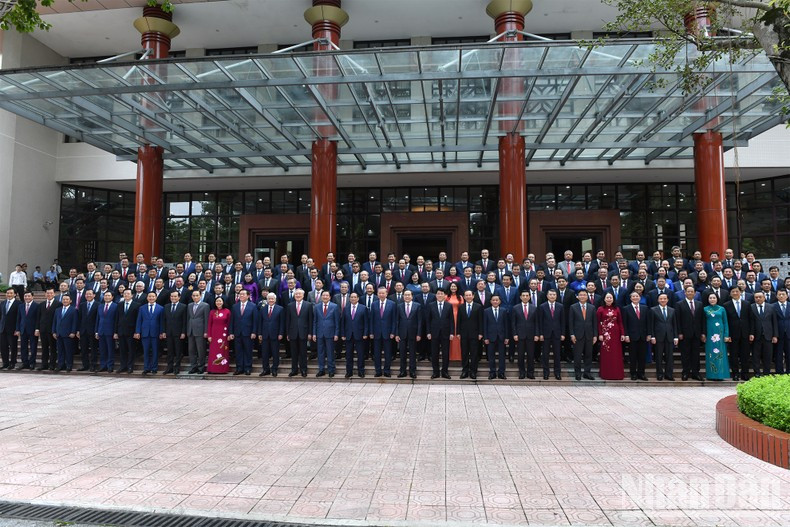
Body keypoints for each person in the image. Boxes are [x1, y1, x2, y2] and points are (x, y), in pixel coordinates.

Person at [676, 285, 705, 381]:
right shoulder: (680, 304)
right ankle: (685, 373)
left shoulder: (700, 304)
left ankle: (695, 373)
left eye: (692, 291)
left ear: (695, 293)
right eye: (688, 291)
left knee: (696, 354)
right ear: (685, 293)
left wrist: (703, 333)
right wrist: (679, 332)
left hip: (697, 334)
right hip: (684, 334)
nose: (690, 293)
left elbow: (702, 320)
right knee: (685, 354)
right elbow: (678, 320)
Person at [426, 289, 455, 379]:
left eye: (441, 294)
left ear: (445, 295)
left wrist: (452, 332)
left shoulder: (449, 305)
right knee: (434, 353)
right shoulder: (431, 305)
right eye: (438, 294)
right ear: (436, 295)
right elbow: (428, 320)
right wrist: (428, 332)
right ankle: (436, 372)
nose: (440, 295)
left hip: (446, 333)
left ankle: (445, 372)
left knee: (445, 353)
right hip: (434, 333)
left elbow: (451, 320)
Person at [649, 293, 678, 381]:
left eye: (665, 298)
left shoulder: (672, 310)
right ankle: (660, 374)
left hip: (669, 336)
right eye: (661, 298)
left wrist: (675, 337)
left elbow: (675, 324)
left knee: (670, 357)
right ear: (658, 300)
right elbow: (651, 324)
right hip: (658, 337)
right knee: (658, 356)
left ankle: (669, 374)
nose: (663, 300)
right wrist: (652, 336)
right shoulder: (653, 310)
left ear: (667, 300)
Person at [570, 289, 599, 381]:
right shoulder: (573, 307)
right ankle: (577, 373)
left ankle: (587, 373)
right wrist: (572, 334)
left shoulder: (592, 307)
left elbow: (595, 322)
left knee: (588, 355)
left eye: (584, 295)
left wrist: (595, 335)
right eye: (580, 295)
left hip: (589, 335)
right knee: (577, 356)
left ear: (587, 296)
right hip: (577, 335)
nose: (582, 296)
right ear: (577, 296)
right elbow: (571, 322)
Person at [749, 291, 777, 377]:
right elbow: (750, 322)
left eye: (760, 297)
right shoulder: (751, 307)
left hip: (768, 336)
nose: (758, 299)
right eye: (756, 297)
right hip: (756, 336)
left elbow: (774, 322)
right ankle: (757, 373)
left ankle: (766, 373)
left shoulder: (771, 307)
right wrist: (751, 333)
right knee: (755, 356)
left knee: (767, 356)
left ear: (764, 298)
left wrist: (775, 335)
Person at [369, 286, 396, 377]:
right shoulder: (374, 304)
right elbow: (371, 319)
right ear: (377, 294)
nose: (381, 294)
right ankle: (378, 371)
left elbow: (394, 320)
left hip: (388, 333)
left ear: (386, 294)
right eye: (379, 293)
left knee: (388, 353)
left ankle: (387, 371)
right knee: (377, 353)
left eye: (383, 293)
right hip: (376, 333)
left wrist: (393, 332)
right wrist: (371, 332)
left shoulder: (392, 304)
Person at [135, 292, 164, 375]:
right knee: (146, 351)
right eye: (149, 296)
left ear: (156, 297)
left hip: (155, 333)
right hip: (145, 333)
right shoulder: (142, 308)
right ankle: (146, 368)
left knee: (155, 351)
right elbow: (139, 320)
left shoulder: (160, 308)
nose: (151, 298)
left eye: (153, 296)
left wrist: (161, 332)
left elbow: (161, 322)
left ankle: (154, 368)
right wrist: (137, 331)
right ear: (147, 298)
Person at [229, 289, 257, 376]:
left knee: (248, 351)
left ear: (248, 296)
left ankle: (248, 368)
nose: (241, 296)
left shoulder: (253, 306)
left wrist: (254, 332)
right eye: (240, 294)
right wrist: (231, 332)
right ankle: (239, 368)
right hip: (237, 333)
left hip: (248, 333)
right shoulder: (235, 306)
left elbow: (255, 320)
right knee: (238, 351)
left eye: (243, 294)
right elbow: (232, 321)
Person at [703, 292, 730, 381]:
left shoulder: (722, 309)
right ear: (708, 299)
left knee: (720, 354)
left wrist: (726, 335)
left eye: (714, 298)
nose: (712, 299)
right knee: (710, 354)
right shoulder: (705, 309)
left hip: (720, 334)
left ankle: (720, 374)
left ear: (717, 299)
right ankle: (711, 375)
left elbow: (725, 322)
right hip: (710, 335)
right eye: (710, 298)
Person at [622, 291, 649, 381]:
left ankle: (641, 373)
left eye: (637, 296)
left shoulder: (645, 308)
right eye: (633, 296)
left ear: (640, 297)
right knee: (632, 356)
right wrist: (626, 335)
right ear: (630, 298)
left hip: (643, 336)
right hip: (631, 336)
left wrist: (649, 334)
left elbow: (648, 322)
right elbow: (625, 323)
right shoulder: (626, 309)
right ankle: (633, 373)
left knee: (642, 356)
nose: (635, 298)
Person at [395, 290, 421, 379]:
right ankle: (402, 371)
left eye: (408, 295)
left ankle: (412, 371)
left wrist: (419, 334)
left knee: (412, 354)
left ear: (412, 296)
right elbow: (397, 321)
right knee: (402, 354)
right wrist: (397, 334)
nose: (407, 296)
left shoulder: (417, 306)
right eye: (405, 295)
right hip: (402, 333)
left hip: (413, 333)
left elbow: (419, 321)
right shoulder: (399, 306)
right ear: (403, 296)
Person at [312, 290, 339, 377]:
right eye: (323, 295)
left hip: (331, 333)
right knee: (320, 352)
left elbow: (337, 322)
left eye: (327, 295)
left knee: (330, 352)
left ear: (330, 297)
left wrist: (336, 334)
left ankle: (331, 370)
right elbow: (315, 321)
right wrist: (314, 333)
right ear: (321, 296)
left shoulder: (334, 307)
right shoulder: (317, 307)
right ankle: (321, 369)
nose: (325, 297)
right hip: (319, 333)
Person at [539, 289, 565, 380]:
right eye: (550, 294)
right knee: (545, 354)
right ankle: (546, 373)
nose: (552, 296)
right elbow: (540, 321)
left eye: (554, 294)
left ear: (556, 296)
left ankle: (557, 373)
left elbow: (562, 321)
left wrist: (563, 333)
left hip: (557, 333)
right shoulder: (542, 306)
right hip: (546, 333)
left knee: (557, 354)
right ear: (547, 296)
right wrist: (541, 334)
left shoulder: (560, 306)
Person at [457, 290, 483, 379]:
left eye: (469, 295)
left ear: (473, 296)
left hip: (475, 334)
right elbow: (458, 321)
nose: (468, 297)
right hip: (463, 334)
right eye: (466, 295)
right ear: (464, 297)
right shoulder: (461, 307)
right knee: (464, 353)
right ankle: (465, 370)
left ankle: (473, 371)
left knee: (474, 353)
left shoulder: (478, 307)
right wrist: (458, 332)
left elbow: (480, 321)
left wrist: (480, 333)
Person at [341, 291, 368, 378]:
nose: (353, 298)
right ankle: (349, 371)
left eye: (354, 297)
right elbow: (343, 323)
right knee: (348, 355)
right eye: (351, 297)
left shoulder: (363, 308)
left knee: (360, 354)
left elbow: (366, 322)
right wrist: (343, 334)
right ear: (349, 299)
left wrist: (365, 333)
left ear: (358, 298)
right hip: (348, 335)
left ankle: (361, 371)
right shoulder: (346, 308)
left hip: (360, 334)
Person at [257, 292, 285, 377]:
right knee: (264, 353)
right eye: (269, 299)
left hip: (275, 334)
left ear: (275, 300)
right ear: (267, 300)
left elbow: (282, 323)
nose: (271, 300)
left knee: (275, 353)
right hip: (265, 334)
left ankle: (274, 369)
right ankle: (266, 369)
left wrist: (281, 333)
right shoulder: (263, 309)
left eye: (272, 299)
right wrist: (259, 333)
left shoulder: (280, 309)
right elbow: (260, 322)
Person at [286, 289, 312, 377]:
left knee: (303, 353)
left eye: (299, 294)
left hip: (303, 332)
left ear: (303, 295)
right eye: (296, 294)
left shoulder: (308, 305)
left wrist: (310, 333)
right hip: (293, 332)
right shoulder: (290, 305)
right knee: (294, 353)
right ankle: (294, 370)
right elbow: (288, 321)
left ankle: (303, 370)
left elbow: (310, 321)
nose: (297, 295)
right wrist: (288, 333)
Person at [482, 294, 509, 380]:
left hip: (501, 336)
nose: (495, 302)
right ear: (491, 301)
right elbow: (485, 325)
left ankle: (501, 373)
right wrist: (485, 337)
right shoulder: (486, 311)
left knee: (502, 356)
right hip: (490, 337)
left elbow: (506, 324)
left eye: (497, 300)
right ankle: (492, 372)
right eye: (493, 300)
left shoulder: (504, 311)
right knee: (491, 356)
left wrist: (507, 337)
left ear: (500, 301)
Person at [162, 291, 187, 375]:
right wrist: (163, 331)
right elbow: (164, 320)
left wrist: (183, 332)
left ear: (179, 297)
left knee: (178, 351)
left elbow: (184, 321)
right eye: (172, 296)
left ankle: (177, 367)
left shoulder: (183, 307)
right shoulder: (166, 306)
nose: (173, 298)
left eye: (175, 296)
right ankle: (169, 367)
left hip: (179, 333)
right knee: (170, 351)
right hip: (168, 332)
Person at [52, 294, 78, 372]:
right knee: (60, 351)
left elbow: (75, 322)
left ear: (70, 301)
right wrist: (54, 331)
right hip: (59, 333)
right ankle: (61, 365)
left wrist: (73, 332)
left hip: (68, 334)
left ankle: (69, 365)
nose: (65, 301)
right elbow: (54, 321)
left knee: (68, 351)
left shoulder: (74, 310)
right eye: (64, 299)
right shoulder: (58, 310)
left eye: (67, 299)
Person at [186, 290, 210, 374]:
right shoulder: (189, 305)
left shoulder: (205, 305)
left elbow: (206, 319)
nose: (195, 297)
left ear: (200, 296)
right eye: (193, 295)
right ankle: (193, 366)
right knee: (191, 350)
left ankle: (201, 367)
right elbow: (188, 318)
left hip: (200, 330)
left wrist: (206, 331)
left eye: (197, 295)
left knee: (201, 350)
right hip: (191, 330)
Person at [94, 290, 118, 373]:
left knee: (110, 349)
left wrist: (115, 332)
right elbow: (97, 319)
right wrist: (96, 331)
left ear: (112, 297)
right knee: (102, 350)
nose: (107, 297)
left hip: (110, 331)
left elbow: (116, 320)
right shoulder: (100, 306)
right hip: (101, 331)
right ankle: (103, 365)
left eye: (108, 296)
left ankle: (110, 366)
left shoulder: (115, 306)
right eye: (105, 296)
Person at [206, 296, 231, 374]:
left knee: (223, 350)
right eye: (217, 301)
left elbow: (229, 324)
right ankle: (213, 368)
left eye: (220, 301)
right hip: (214, 334)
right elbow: (209, 324)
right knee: (214, 351)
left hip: (223, 334)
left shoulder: (227, 311)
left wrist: (229, 334)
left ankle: (222, 369)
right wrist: (209, 335)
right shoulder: (212, 312)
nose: (218, 303)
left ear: (223, 302)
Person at [15, 292, 39, 370]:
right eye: (25, 296)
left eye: (29, 296)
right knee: (23, 347)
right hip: (23, 329)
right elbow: (18, 318)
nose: (27, 297)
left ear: (32, 296)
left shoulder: (37, 306)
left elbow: (37, 319)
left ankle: (32, 363)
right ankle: (25, 362)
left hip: (32, 330)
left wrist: (37, 329)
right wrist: (18, 329)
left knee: (33, 347)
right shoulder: (21, 306)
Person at [76, 289, 99, 372]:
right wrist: (78, 330)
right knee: (83, 349)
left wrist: (97, 331)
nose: (88, 295)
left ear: (94, 295)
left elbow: (98, 319)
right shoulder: (82, 305)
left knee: (93, 349)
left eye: (90, 294)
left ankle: (93, 365)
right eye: (87, 294)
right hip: (83, 330)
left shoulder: (98, 305)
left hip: (93, 330)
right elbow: (79, 318)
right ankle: (85, 365)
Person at [37, 288, 59, 371]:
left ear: (54, 294)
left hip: (52, 330)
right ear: (45, 294)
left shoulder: (58, 304)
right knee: (44, 348)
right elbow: (38, 317)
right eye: (47, 293)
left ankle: (52, 364)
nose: (49, 295)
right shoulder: (42, 304)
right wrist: (37, 328)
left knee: (53, 348)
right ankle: (44, 364)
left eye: (51, 293)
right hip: (43, 329)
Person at [0, 289, 20, 370]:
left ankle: (13, 363)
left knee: (13, 347)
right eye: (7, 293)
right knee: (3, 347)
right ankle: (5, 363)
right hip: (2, 329)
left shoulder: (18, 304)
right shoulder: (2, 303)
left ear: (15, 294)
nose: (9, 294)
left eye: (11, 293)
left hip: (13, 330)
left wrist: (17, 329)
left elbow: (19, 318)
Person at [446, 282, 463, 361]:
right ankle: (451, 356)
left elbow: (462, 308)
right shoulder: (447, 297)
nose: (453, 288)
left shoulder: (460, 297)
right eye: (452, 286)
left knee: (457, 337)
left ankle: (458, 356)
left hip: (458, 317)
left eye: (455, 286)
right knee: (450, 336)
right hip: (448, 317)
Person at [774, 289, 790, 374]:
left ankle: (789, 372)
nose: (781, 296)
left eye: (783, 294)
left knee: (789, 354)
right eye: (779, 294)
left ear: (787, 296)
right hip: (778, 335)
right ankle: (779, 372)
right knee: (778, 355)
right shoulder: (773, 306)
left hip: (789, 334)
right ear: (776, 296)